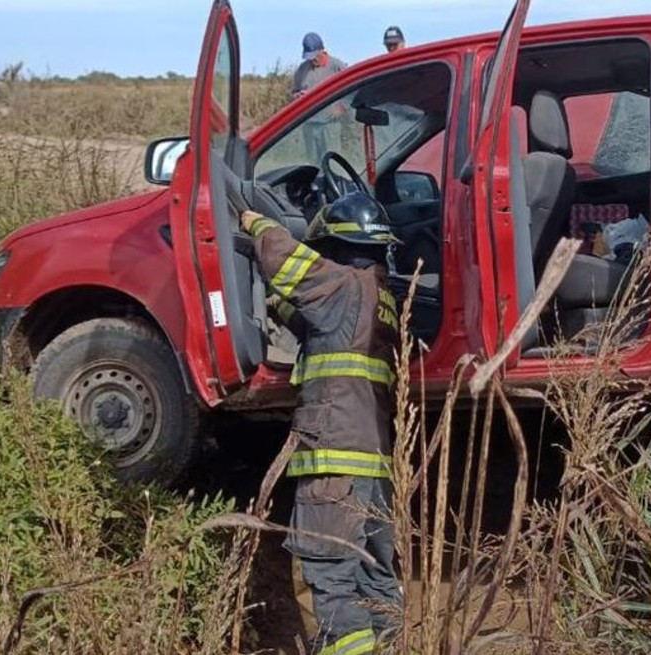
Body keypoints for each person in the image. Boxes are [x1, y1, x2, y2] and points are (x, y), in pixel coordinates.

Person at [239, 193, 403, 655]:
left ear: (331, 246)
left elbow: (284, 259)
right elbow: (318, 322)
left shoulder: (341, 286)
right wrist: (277, 306)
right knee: (376, 584)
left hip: (334, 466)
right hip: (372, 470)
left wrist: (255, 224)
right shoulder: (379, 297)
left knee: (326, 581)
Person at [292, 32, 349, 161]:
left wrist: (342, 107)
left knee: (332, 164)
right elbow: (294, 92)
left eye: (315, 56)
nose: (312, 60)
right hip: (310, 126)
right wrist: (297, 97)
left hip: (329, 126)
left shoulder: (337, 66)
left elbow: (352, 91)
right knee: (313, 166)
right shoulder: (302, 70)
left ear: (322, 50)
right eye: (309, 57)